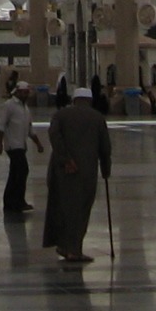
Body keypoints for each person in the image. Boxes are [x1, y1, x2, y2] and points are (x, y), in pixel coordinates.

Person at [42, 87, 111, 265]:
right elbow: (105, 147)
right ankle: (74, 250)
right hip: (85, 172)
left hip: (61, 171)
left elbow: (54, 136)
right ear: (90, 100)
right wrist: (106, 168)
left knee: (61, 208)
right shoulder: (97, 118)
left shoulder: (61, 115)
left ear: (74, 100)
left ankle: (63, 245)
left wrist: (65, 159)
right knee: (79, 210)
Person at [0, 80, 42, 216]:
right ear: (18, 92)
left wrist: (38, 143)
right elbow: (1, 125)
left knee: (15, 173)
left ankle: (9, 201)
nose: (26, 94)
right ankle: (18, 201)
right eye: (24, 92)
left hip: (22, 145)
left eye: (28, 92)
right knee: (22, 171)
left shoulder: (25, 108)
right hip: (13, 145)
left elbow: (30, 129)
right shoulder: (9, 105)